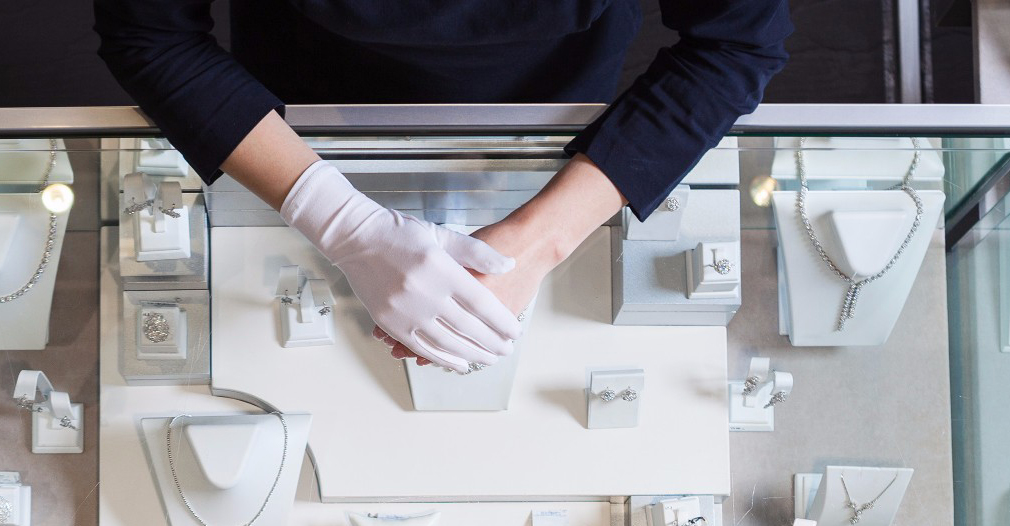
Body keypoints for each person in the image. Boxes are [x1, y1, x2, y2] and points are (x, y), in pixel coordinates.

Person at [94, 0, 793, 373]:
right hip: (279, 143)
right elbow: (149, 33)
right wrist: (343, 225)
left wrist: (535, 245)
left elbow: (735, 41)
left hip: (551, 151)